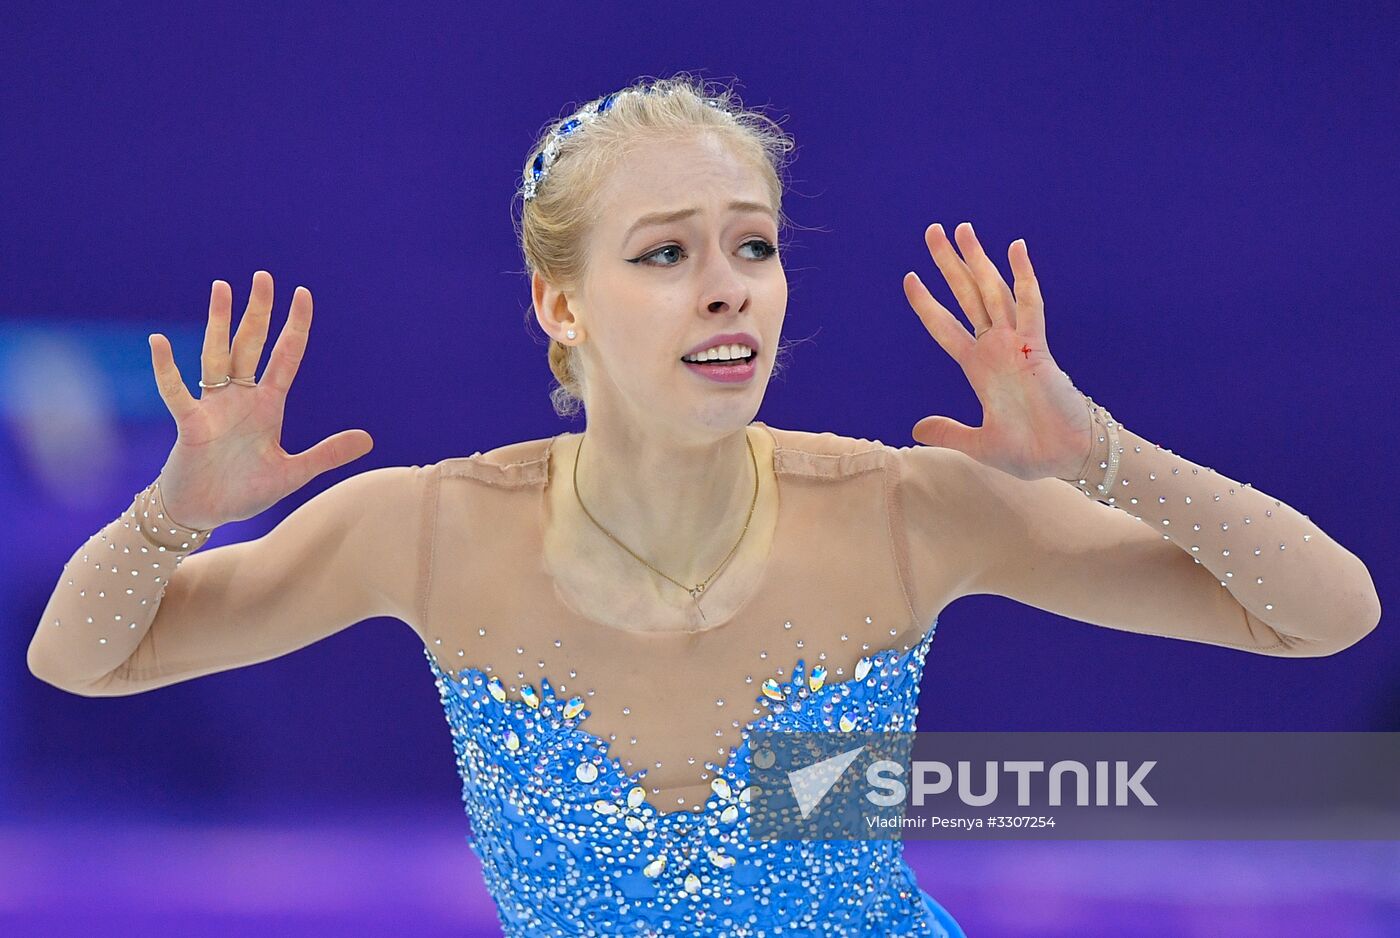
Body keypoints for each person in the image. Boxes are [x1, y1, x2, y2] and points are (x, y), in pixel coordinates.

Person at [26, 74, 1380, 937]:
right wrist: (173, 510)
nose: (726, 284)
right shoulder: (428, 530)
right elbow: (80, 657)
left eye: (753, 244)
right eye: (666, 252)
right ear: (560, 304)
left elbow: (1324, 615)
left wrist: (1099, 451)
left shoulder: (906, 512)